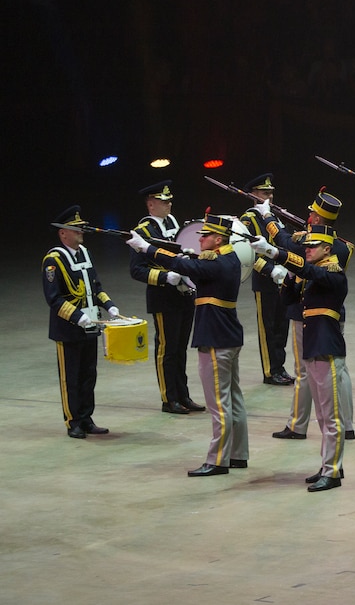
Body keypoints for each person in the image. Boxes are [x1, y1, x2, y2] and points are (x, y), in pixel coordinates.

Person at [128, 212, 248, 476]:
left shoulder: (216, 264)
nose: (200, 239)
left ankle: (217, 461)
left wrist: (147, 248)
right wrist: (187, 256)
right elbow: (194, 263)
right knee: (234, 400)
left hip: (215, 339)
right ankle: (238, 454)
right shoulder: (229, 258)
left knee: (219, 405)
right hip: (228, 337)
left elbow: (183, 266)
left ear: (218, 239)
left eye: (205, 236)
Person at [251, 225, 347, 492]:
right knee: (322, 415)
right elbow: (288, 300)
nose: (308, 249)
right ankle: (328, 465)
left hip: (326, 348)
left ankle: (333, 471)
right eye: (307, 246)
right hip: (313, 349)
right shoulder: (312, 273)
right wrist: (290, 275)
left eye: (313, 246)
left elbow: (311, 271)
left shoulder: (333, 272)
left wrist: (276, 254)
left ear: (327, 249)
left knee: (331, 416)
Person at [256, 190, 355, 442]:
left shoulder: (307, 244)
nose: (309, 216)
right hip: (334, 313)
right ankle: (347, 425)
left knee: (302, 372)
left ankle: (297, 425)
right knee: (340, 372)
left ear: (318, 219)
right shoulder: (343, 246)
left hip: (307, 313)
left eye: (312, 213)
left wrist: (267, 216)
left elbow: (281, 239)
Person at [43, 205, 120, 439]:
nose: (81, 232)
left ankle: (86, 418)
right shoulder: (54, 260)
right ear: (63, 233)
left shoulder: (85, 253)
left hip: (91, 326)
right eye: (76, 229)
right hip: (68, 328)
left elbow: (95, 286)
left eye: (80, 228)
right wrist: (78, 317)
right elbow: (54, 298)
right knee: (71, 378)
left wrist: (109, 305)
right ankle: (73, 421)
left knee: (88, 375)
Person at [130, 181, 202, 415]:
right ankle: (169, 398)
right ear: (151, 204)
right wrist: (164, 277)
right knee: (167, 350)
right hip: (163, 297)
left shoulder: (172, 222)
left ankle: (183, 395)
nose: (169, 204)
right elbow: (136, 270)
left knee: (180, 349)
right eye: (163, 201)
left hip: (184, 294)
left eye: (169, 200)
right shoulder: (143, 232)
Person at [238, 173, 293, 386]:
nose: (269, 196)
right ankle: (270, 371)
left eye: (271, 192)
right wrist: (270, 270)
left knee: (282, 326)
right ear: (253, 194)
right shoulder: (248, 219)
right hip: (265, 280)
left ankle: (280, 366)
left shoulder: (275, 216)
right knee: (268, 327)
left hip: (284, 278)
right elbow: (248, 253)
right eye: (264, 192)